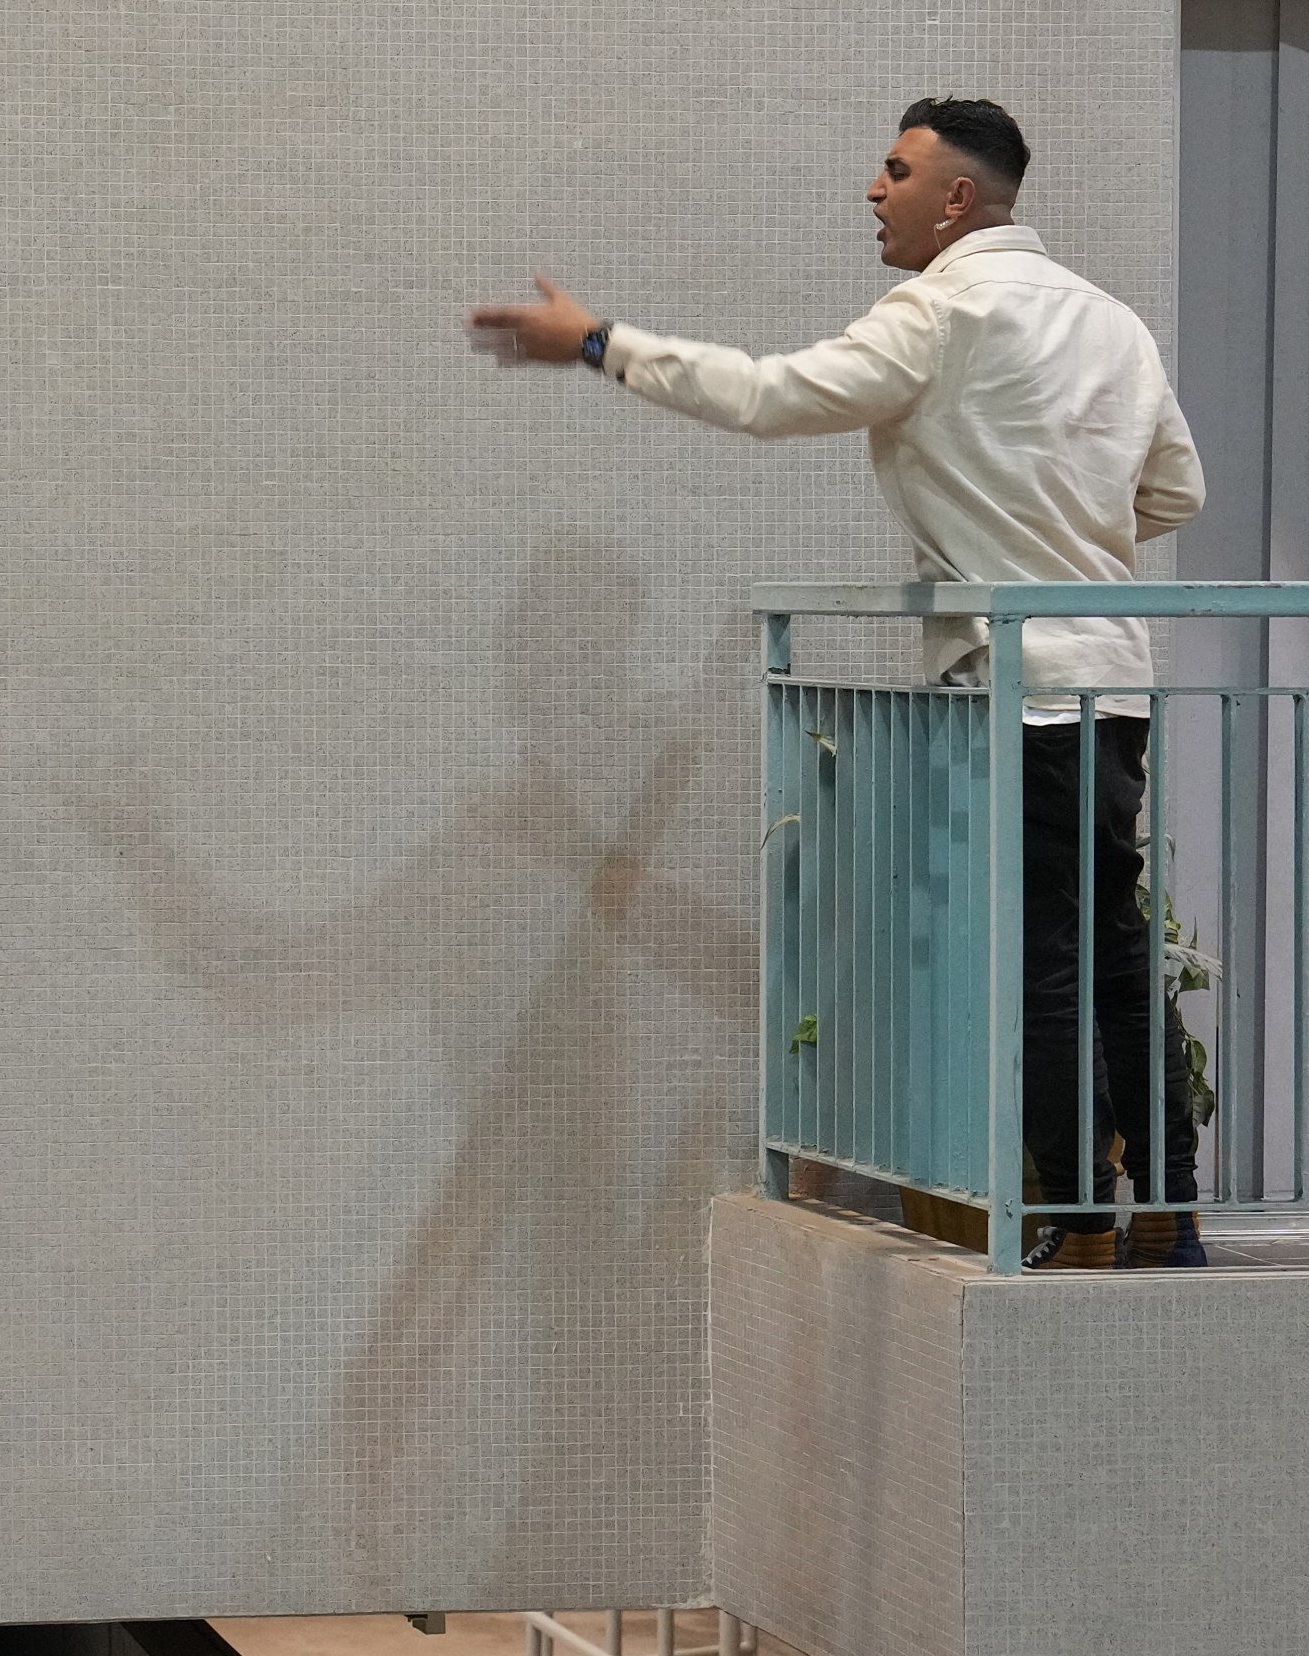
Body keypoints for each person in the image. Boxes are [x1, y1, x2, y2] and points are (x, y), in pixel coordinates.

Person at [470, 96, 1209, 1267]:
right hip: (1111, 681)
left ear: (956, 197)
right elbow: (1176, 494)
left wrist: (601, 343)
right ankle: (1167, 1213)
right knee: (1116, 950)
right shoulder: (1110, 319)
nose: (874, 190)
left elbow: (769, 397)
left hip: (1018, 686)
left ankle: (1073, 1221)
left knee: (1046, 962)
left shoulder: (942, 311)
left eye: (896, 171)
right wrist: (1068, 541)